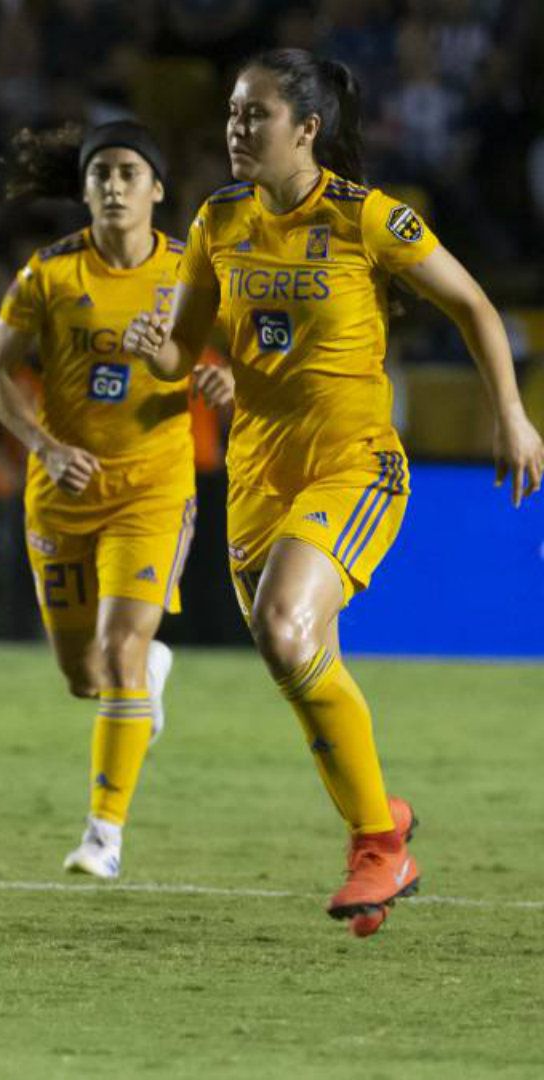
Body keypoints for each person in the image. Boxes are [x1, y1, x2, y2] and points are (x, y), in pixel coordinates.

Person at [124, 49, 544, 936]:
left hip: (354, 464)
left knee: (286, 626)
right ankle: (382, 824)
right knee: (297, 662)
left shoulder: (366, 219)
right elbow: (182, 353)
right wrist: (153, 339)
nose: (238, 127)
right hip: (256, 477)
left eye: (258, 114)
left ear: (307, 130)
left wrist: (510, 415)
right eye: (234, 112)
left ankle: (377, 850)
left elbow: (474, 306)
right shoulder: (218, 220)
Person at [0, 120, 233, 879]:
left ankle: (103, 833)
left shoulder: (194, 271)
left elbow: (239, 357)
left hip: (153, 487)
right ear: (85, 190)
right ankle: (144, 675)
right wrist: (49, 449)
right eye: (102, 175)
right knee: (83, 675)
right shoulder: (49, 274)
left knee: (119, 652)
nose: (115, 186)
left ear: (157, 188)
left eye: (129, 172)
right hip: (63, 492)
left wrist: (225, 383)